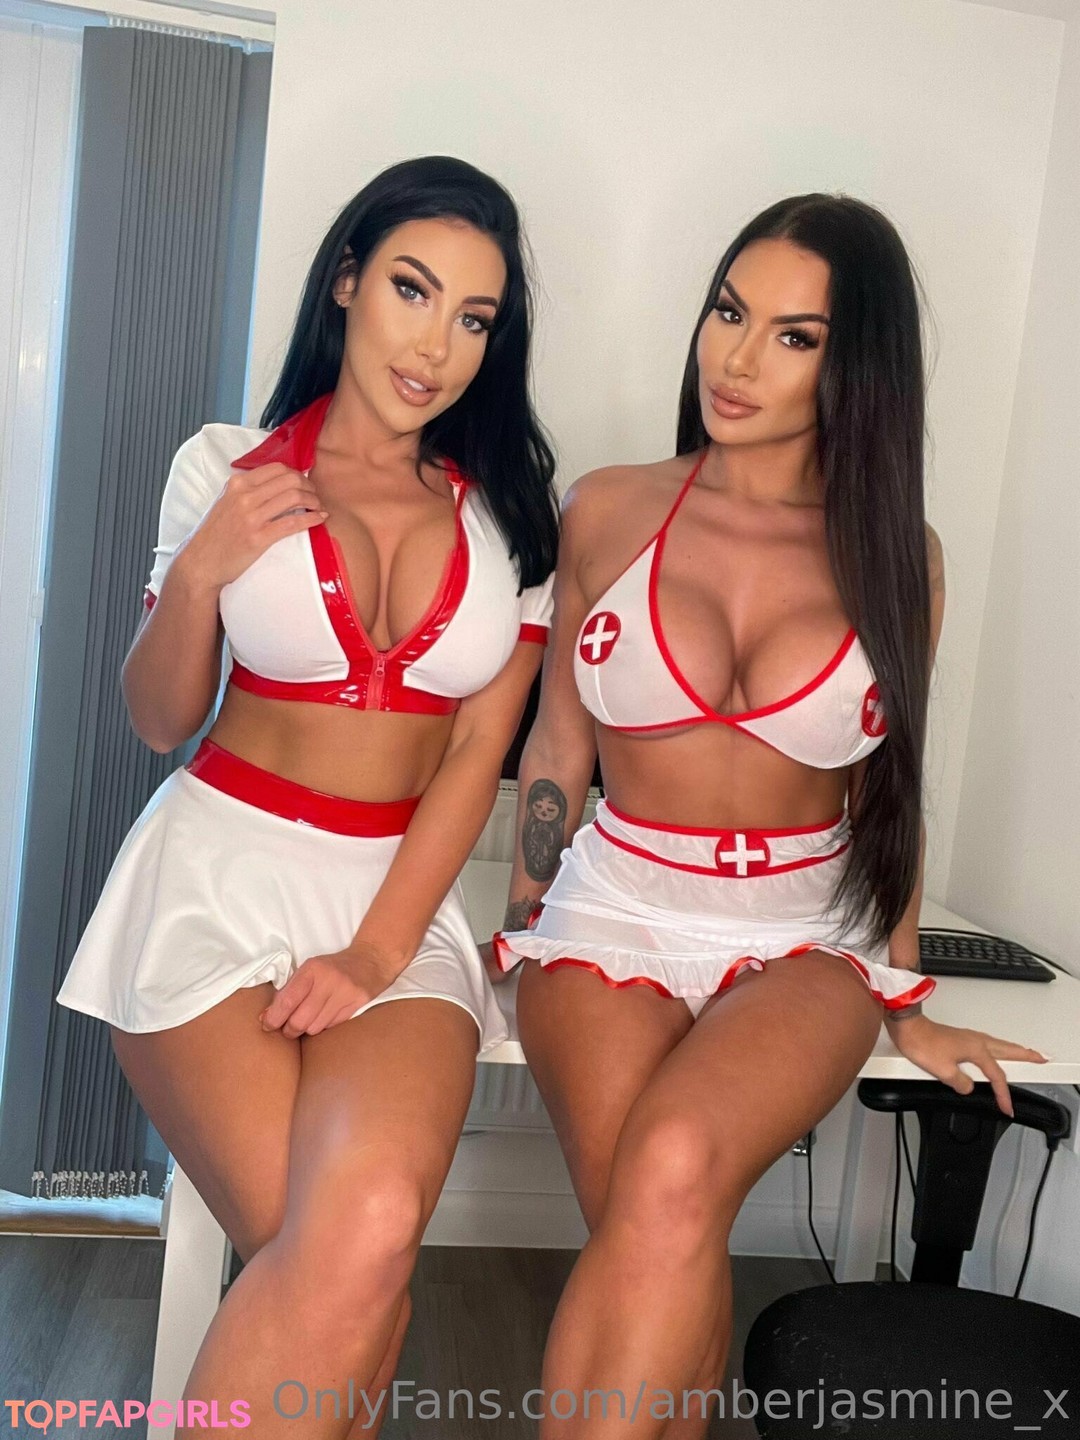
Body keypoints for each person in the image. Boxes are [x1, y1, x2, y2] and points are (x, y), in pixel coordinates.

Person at [491, 194, 1048, 1438]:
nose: (737, 359)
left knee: (669, 1175)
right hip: (616, 905)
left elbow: (889, 785)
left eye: (794, 337)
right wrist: (524, 920)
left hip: (809, 927)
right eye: (729, 313)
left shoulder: (901, 553)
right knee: (655, 1217)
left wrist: (906, 992)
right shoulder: (608, 508)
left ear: (856, 368)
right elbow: (560, 743)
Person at [56, 155, 558, 1438]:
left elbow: (474, 754)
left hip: (396, 904)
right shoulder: (226, 466)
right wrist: (204, 567)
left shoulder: (511, 521)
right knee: (346, 1273)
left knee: (364, 1234)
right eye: (411, 289)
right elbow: (157, 717)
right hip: (210, 878)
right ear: (345, 281)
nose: (435, 345)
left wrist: (377, 951)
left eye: (474, 318)